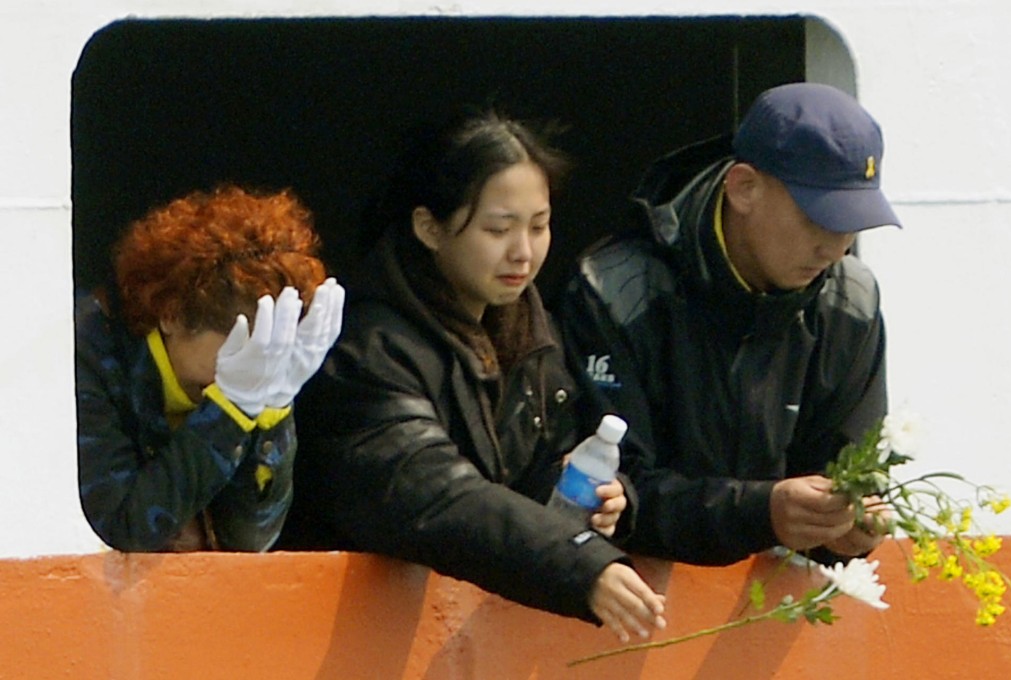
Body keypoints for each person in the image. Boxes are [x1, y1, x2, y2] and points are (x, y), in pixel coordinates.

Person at [278, 111, 667, 642]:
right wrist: (579, 563)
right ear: (429, 227)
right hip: (335, 636)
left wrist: (599, 492)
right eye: (498, 229)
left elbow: (539, 470)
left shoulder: (533, 333)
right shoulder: (367, 352)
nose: (523, 252)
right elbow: (436, 494)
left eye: (539, 225)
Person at [558, 82, 901, 567]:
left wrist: (847, 532)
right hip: (619, 609)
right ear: (744, 188)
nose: (836, 248)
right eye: (817, 219)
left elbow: (847, 476)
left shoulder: (852, 299)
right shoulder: (612, 290)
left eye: (852, 223)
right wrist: (764, 514)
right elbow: (611, 492)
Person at [75, 185, 345, 552]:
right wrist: (228, 411)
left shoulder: (253, 381)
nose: (257, 362)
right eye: (241, 343)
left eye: (270, 348)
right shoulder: (85, 353)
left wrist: (273, 405)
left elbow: (250, 540)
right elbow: (127, 526)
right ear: (172, 315)